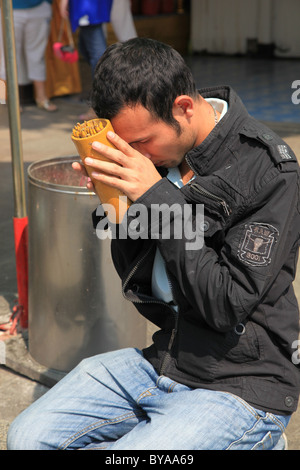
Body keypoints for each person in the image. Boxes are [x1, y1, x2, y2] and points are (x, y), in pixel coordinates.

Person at [7, 38, 300, 450]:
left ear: (183, 107)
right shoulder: (156, 156)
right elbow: (143, 279)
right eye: (126, 144)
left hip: (242, 381)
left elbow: (226, 303)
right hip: (165, 359)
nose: (135, 155)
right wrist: (118, 208)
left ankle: (260, 440)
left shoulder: (269, 170)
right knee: (27, 438)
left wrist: (157, 198)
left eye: (142, 142)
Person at [0, 0, 57, 112]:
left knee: (37, 54)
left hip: (39, 7)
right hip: (10, 9)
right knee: (8, 56)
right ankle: (11, 100)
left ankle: (41, 97)